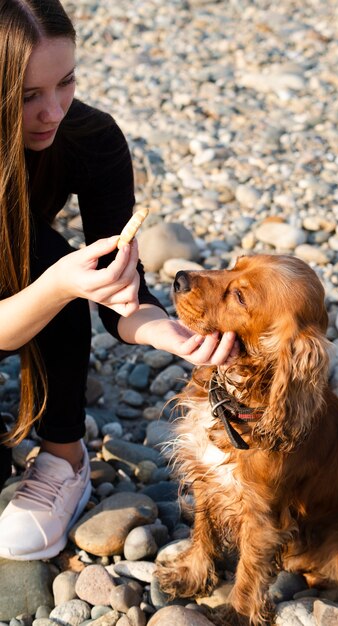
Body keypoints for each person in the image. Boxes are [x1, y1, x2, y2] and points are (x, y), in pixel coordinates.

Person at [0, 0, 237, 561]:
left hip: (22, 260)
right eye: (28, 96)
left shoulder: (91, 137)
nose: (53, 111)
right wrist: (57, 286)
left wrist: (166, 333)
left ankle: (65, 455)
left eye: (66, 83)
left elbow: (121, 297)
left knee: (47, 258)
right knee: (52, 270)